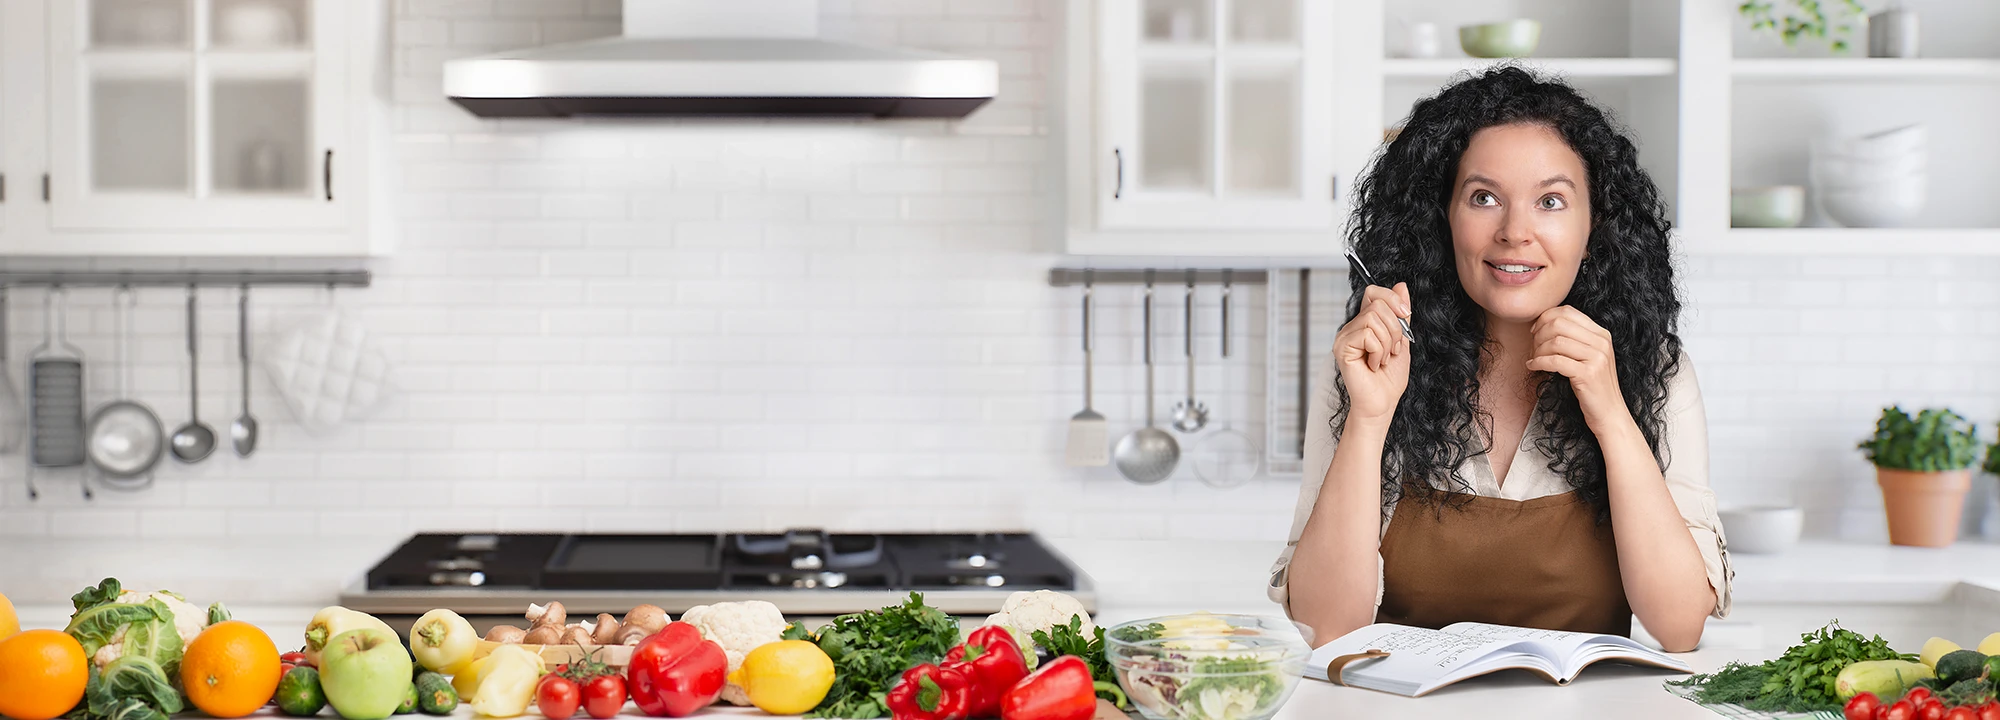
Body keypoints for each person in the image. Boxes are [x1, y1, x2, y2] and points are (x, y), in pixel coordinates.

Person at [1267, 67, 1730, 653]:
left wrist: (1612, 413)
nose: (1515, 232)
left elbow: (1679, 623)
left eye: (1551, 201)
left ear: (1595, 227)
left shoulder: (1654, 369)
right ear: (1442, 217)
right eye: (1483, 197)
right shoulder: (1371, 363)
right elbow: (1327, 628)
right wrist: (1369, 419)